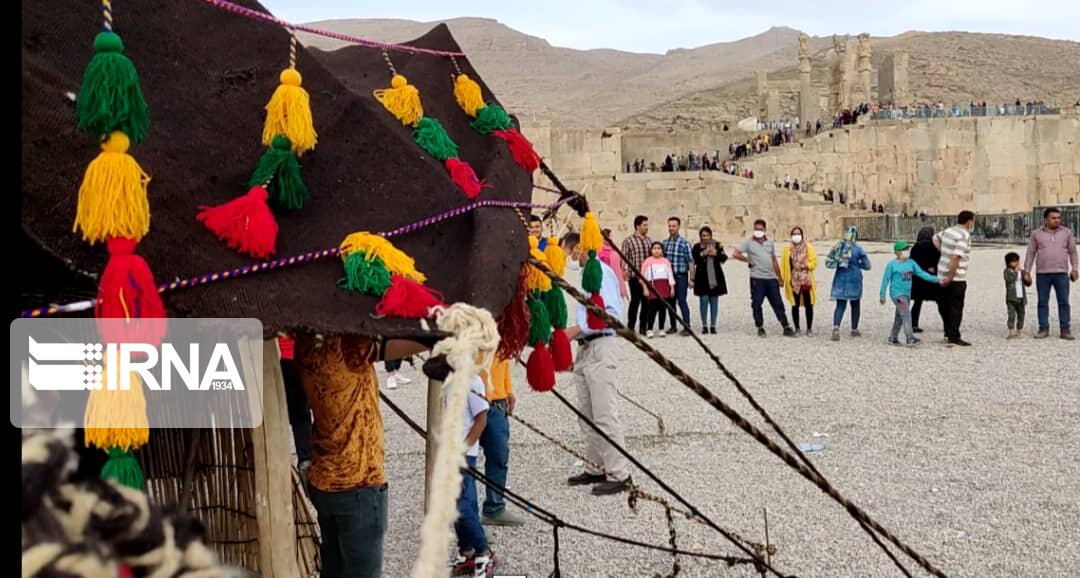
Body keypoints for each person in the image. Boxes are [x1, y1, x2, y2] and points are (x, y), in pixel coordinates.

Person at [296, 333, 427, 578]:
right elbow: (389, 346)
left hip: (325, 478)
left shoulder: (304, 343)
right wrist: (437, 337)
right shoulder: (347, 343)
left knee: (334, 569)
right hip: (358, 483)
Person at [560, 233, 633, 496]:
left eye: (570, 253)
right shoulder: (586, 276)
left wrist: (576, 329)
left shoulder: (600, 273)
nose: (571, 259)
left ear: (578, 248)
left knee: (605, 412)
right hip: (586, 347)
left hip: (602, 345)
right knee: (587, 411)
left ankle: (619, 472)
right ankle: (595, 465)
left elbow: (610, 314)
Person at [449, 372, 496, 577]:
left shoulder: (473, 380)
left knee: (460, 504)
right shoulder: (446, 378)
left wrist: (464, 448)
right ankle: (467, 550)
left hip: (463, 453)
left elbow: (481, 420)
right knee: (459, 502)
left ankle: (483, 550)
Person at [477, 356, 524, 527]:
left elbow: (502, 358)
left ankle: (494, 507)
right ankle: (468, 520)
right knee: (467, 459)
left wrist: (507, 389)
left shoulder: (501, 330)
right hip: (471, 396)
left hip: (497, 401)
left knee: (499, 454)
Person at [732, 219, 796, 337]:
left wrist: (780, 277)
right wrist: (747, 260)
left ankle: (785, 325)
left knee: (777, 302)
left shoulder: (769, 242)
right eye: (756, 229)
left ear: (765, 230)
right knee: (757, 303)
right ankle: (760, 326)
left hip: (771, 277)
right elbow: (735, 253)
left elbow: (773, 259)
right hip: (757, 277)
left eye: (760, 229)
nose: (758, 231)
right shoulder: (748, 242)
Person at [1022, 207, 1078, 340]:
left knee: (1064, 302)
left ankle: (1065, 329)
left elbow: (1073, 252)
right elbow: (1031, 252)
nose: (1057, 220)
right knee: (1042, 302)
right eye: (1053, 218)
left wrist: (1075, 268)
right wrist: (1027, 271)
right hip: (1043, 274)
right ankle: (1043, 328)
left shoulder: (1067, 233)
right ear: (1046, 219)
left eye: (1058, 218)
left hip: (1061, 273)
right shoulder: (1036, 234)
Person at [879, 241, 939, 346]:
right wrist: (882, 295)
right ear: (897, 252)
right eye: (904, 249)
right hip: (897, 294)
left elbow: (922, 274)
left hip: (907, 294)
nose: (906, 251)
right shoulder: (891, 265)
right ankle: (910, 338)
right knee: (906, 314)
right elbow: (885, 280)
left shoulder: (911, 263)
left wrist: (936, 279)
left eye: (907, 249)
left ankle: (893, 337)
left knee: (899, 316)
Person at [936, 210, 976, 346]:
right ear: (969, 222)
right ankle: (953, 335)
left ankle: (948, 332)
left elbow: (935, 238)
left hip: (940, 273)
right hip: (956, 277)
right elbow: (956, 257)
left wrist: (943, 251)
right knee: (955, 307)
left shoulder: (948, 231)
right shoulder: (964, 235)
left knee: (944, 305)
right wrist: (950, 276)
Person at [826, 226, 872, 341]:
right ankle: (854, 329)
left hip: (840, 278)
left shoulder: (838, 247)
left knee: (840, 305)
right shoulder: (858, 249)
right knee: (855, 304)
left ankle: (836, 327)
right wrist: (857, 265)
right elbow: (868, 265)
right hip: (854, 279)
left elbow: (829, 262)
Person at [780, 227, 817, 336]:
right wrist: (781, 278)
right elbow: (784, 265)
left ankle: (809, 328)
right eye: (794, 234)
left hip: (806, 279)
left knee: (808, 304)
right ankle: (797, 328)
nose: (797, 236)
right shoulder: (787, 250)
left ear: (802, 235)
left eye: (798, 233)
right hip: (793, 280)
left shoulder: (809, 248)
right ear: (791, 236)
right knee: (794, 304)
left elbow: (814, 263)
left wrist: (805, 266)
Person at [690, 226, 728, 334]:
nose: (705, 237)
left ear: (711, 235)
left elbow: (724, 258)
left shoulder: (717, 245)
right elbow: (693, 260)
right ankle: (704, 325)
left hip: (715, 277)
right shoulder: (697, 246)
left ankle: (713, 325)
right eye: (703, 236)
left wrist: (716, 253)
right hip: (702, 277)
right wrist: (703, 254)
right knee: (704, 301)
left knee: (714, 301)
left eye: (707, 235)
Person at [662, 217, 694, 336]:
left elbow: (690, 262)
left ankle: (687, 325)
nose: (671, 228)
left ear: (678, 227)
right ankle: (673, 326)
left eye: (673, 226)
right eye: (669, 226)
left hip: (681, 276)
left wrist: (692, 278)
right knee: (670, 302)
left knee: (682, 301)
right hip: (669, 277)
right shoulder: (665, 243)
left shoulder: (685, 243)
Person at [621, 215, 653, 334]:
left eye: (647, 225)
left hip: (648, 276)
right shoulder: (628, 241)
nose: (647, 227)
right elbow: (623, 257)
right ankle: (631, 326)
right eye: (645, 225)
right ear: (638, 226)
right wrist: (623, 271)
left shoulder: (649, 240)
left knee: (646, 302)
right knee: (635, 301)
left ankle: (643, 327)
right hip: (635, 276)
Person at [910, 226, 941, 333]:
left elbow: (912, 262)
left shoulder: (915, 247)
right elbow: (938, 260)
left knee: (917, 302)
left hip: (917, 279)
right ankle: (948, 326)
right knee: (941, 301)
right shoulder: (932, 246)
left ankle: (913, 324)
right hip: (930, 278)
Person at [640, 242, 675, 338]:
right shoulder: (647, 261)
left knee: (663, 309)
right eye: (654, 248)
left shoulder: (666, 262)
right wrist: (645, 288)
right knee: (652, 310)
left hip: (664, 288)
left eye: (659, 248)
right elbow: (643, 277)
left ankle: (661, 328)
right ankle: (649, 329)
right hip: (653, 288)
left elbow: (670, 275)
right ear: (651, 250)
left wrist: (672, 287)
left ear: (662, 250)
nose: (656, 250)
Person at [597, 229, 630, 303]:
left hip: (616, 281)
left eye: (611, 236)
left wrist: (624, 271)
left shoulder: (615, 250)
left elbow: (620, 266)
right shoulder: (599, 251)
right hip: (605, 282)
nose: (611, 238)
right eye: (610, 236)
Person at [1004, 252, 1027, 339]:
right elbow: (1009, 279)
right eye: (1014, 261)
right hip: (1011, 298)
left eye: (1017, 261)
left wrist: (1026, 276)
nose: (1016, 263)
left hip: (1021, 297)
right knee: (1011, 315)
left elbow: (1027, 281)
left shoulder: (1021, 271)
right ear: (1009, 263)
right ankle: (1011, 331)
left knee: (1021, 314)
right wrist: (1016, 272)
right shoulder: (1007, 271)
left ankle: (1019, 330)